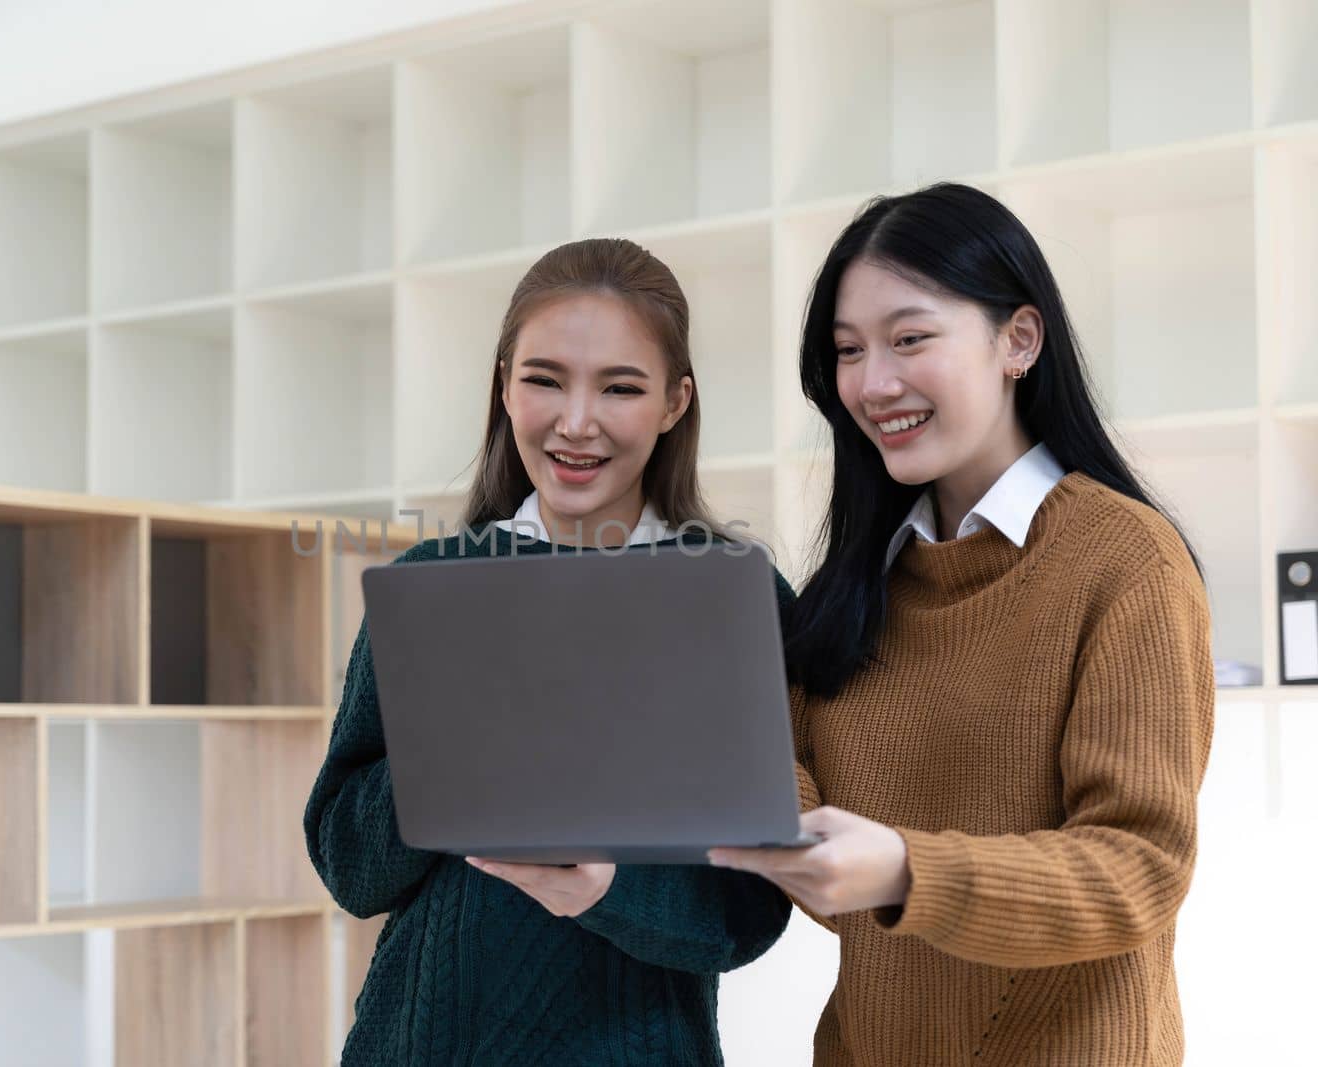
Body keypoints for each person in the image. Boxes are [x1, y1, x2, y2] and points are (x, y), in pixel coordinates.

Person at [710, 183, 1215, 1066]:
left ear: (1017, 341)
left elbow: (1140, 868)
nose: (873, 383)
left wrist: (910, 869)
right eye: (848, 350)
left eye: (910, 338)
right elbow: (797, 805)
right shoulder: (859, 582)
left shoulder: (1128, 564)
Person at [305, 237, 793, 1065]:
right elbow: (350, 866)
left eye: (620, 387)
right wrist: (455, 749)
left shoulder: (730, 598)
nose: (575, 421)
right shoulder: (433, 585)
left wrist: (610, 887)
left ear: (675, 402)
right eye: (543, 379)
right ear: (503, 387)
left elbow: (752, 907)